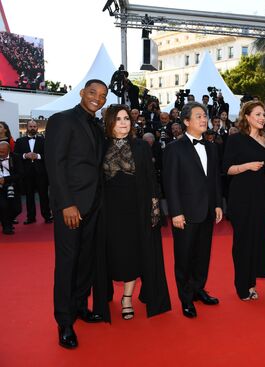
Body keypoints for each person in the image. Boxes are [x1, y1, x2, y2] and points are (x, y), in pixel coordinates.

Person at [44, 79, 108, 349]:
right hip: (71, 205)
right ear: (81, 93)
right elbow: (55, 164)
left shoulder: (98, 125)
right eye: (92, 92)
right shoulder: (62, 120)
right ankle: (65, 321)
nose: (97, 98)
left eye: (102, 96)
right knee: (68, 263)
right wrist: (66, 203)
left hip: (94, 204)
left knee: (86, 261)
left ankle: (81, 306)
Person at [95, 104, 171, 322]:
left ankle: (127, 298)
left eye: (126, 118)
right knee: (109, 254)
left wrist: (155, 208)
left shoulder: (140, 147)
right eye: (118, 119)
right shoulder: (100, 146)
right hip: (108, 211)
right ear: (109, 122)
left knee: (132, 254)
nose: (123, 122)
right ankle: (106, 294)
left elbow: (150, 179)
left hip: (135, 209)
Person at [163, 101, 223, 318]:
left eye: (204, 116)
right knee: (184, 257)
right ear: (186, 121)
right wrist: (176, 212)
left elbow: (215, 179)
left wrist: (217, 204)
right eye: (198, 116)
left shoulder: (211, 147)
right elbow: (170, 184)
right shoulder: (174, 149)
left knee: (202, 255)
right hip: (185, 214)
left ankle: (198, 289)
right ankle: (186, 299)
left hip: (207, 211)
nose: (204, 119)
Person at [222, 101, 265, 300]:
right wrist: (247, 166)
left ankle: (251, 283)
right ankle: (242, 285)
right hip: (240, 196)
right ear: (247, 116)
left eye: (263, 115)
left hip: (260, 195)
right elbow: (227, 168)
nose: (262, 118)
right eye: (257, 114)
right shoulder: (236, 140)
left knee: (256, 240)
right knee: (242, 241)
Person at [14, 120, 53, 224]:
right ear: (27, 127)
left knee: (44, 195)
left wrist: (38, 156)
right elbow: (16, 156)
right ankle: (31, 217)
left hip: (41, 173)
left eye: (34, 126)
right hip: (26, 173)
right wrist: (24, 155)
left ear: (37, 128)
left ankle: (47, 216)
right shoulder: (19, 141)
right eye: (30, 126)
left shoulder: (44, 141)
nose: (32, 128)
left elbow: (49, 156)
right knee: (29, 196)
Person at [0, 141, 22, 234]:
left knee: (17, 209)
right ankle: (7, 227)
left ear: (9, 150)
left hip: (12, 185)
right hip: (0, 188)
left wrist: (5, 179)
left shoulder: (16, 157)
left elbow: (21, 174)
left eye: (2, 151)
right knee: (3, 206)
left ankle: (6, 221)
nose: (0, 153)